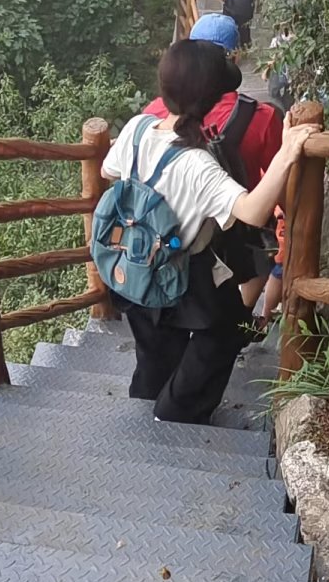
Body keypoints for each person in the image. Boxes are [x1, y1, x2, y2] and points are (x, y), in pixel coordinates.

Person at [101, 39, 308, 423]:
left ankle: (146, 401)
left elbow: (108, 171)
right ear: (213, 100)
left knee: (153, 341)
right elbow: (251, 210)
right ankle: (178, 412)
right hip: (183, 270)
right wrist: (287, 151)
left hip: (131, 259)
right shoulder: (197, 163)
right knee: (228, 327)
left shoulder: (136, 127)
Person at [145, 13, 284, 312]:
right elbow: (277, 177)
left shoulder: (156, 111)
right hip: (235, 225)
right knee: (262, 259)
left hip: (166, 224)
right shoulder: (261, 117)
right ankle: (240, 321)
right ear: (232, 58)